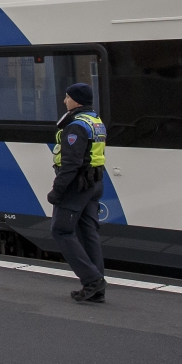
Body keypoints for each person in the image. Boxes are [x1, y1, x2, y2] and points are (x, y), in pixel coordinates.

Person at [49, 82, 109, 303]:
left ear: (77, 100)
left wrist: (57, 191)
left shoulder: (76, 126)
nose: (65, 101)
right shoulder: (95, 122)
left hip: (77, 185)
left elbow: (71, 164)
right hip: (94, 183)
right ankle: (96, 288)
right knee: (88, 233)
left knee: (61, 230)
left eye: (67, 97)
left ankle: (93, 280)